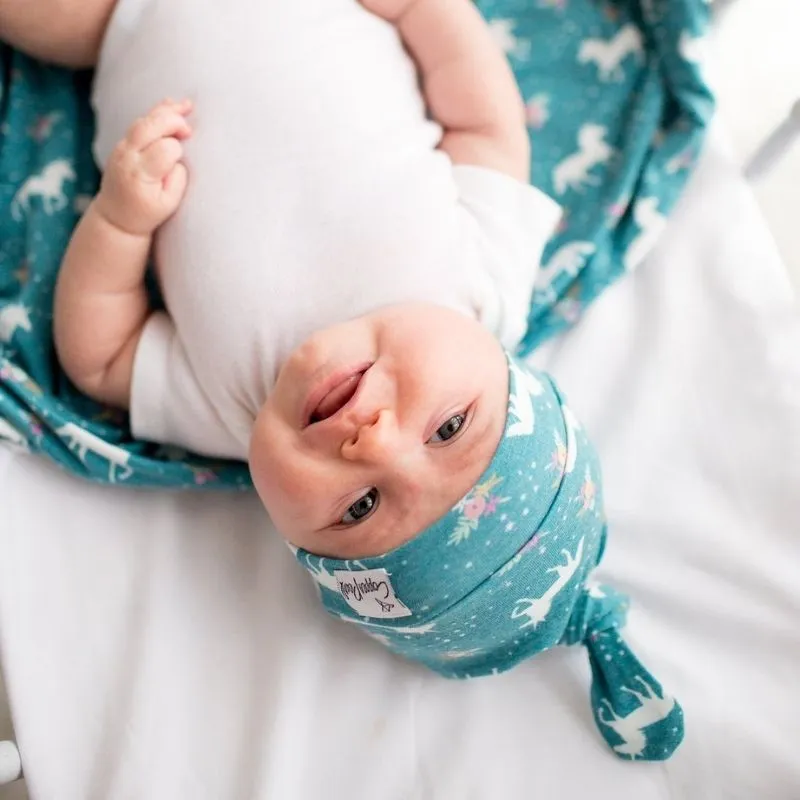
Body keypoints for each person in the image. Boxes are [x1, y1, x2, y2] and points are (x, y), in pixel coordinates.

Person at [0, 0, 685, 759]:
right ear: (506, 370)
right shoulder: (484, 279)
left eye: (360, 507)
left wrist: (123, 223)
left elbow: (100, 356)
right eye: (449, 428)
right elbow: (483, 119)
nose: (374, 441)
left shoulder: (231, 413)